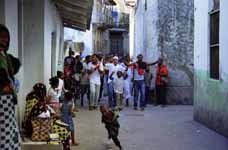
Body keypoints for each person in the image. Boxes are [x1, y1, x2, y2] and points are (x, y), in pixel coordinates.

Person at [0, 24, 21, 150]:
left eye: (6, 37)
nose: (4, 40)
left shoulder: (5, 57)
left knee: (10, 135)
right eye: (0, 37)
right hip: (2, 104)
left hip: (7, 104)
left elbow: (15, 66)